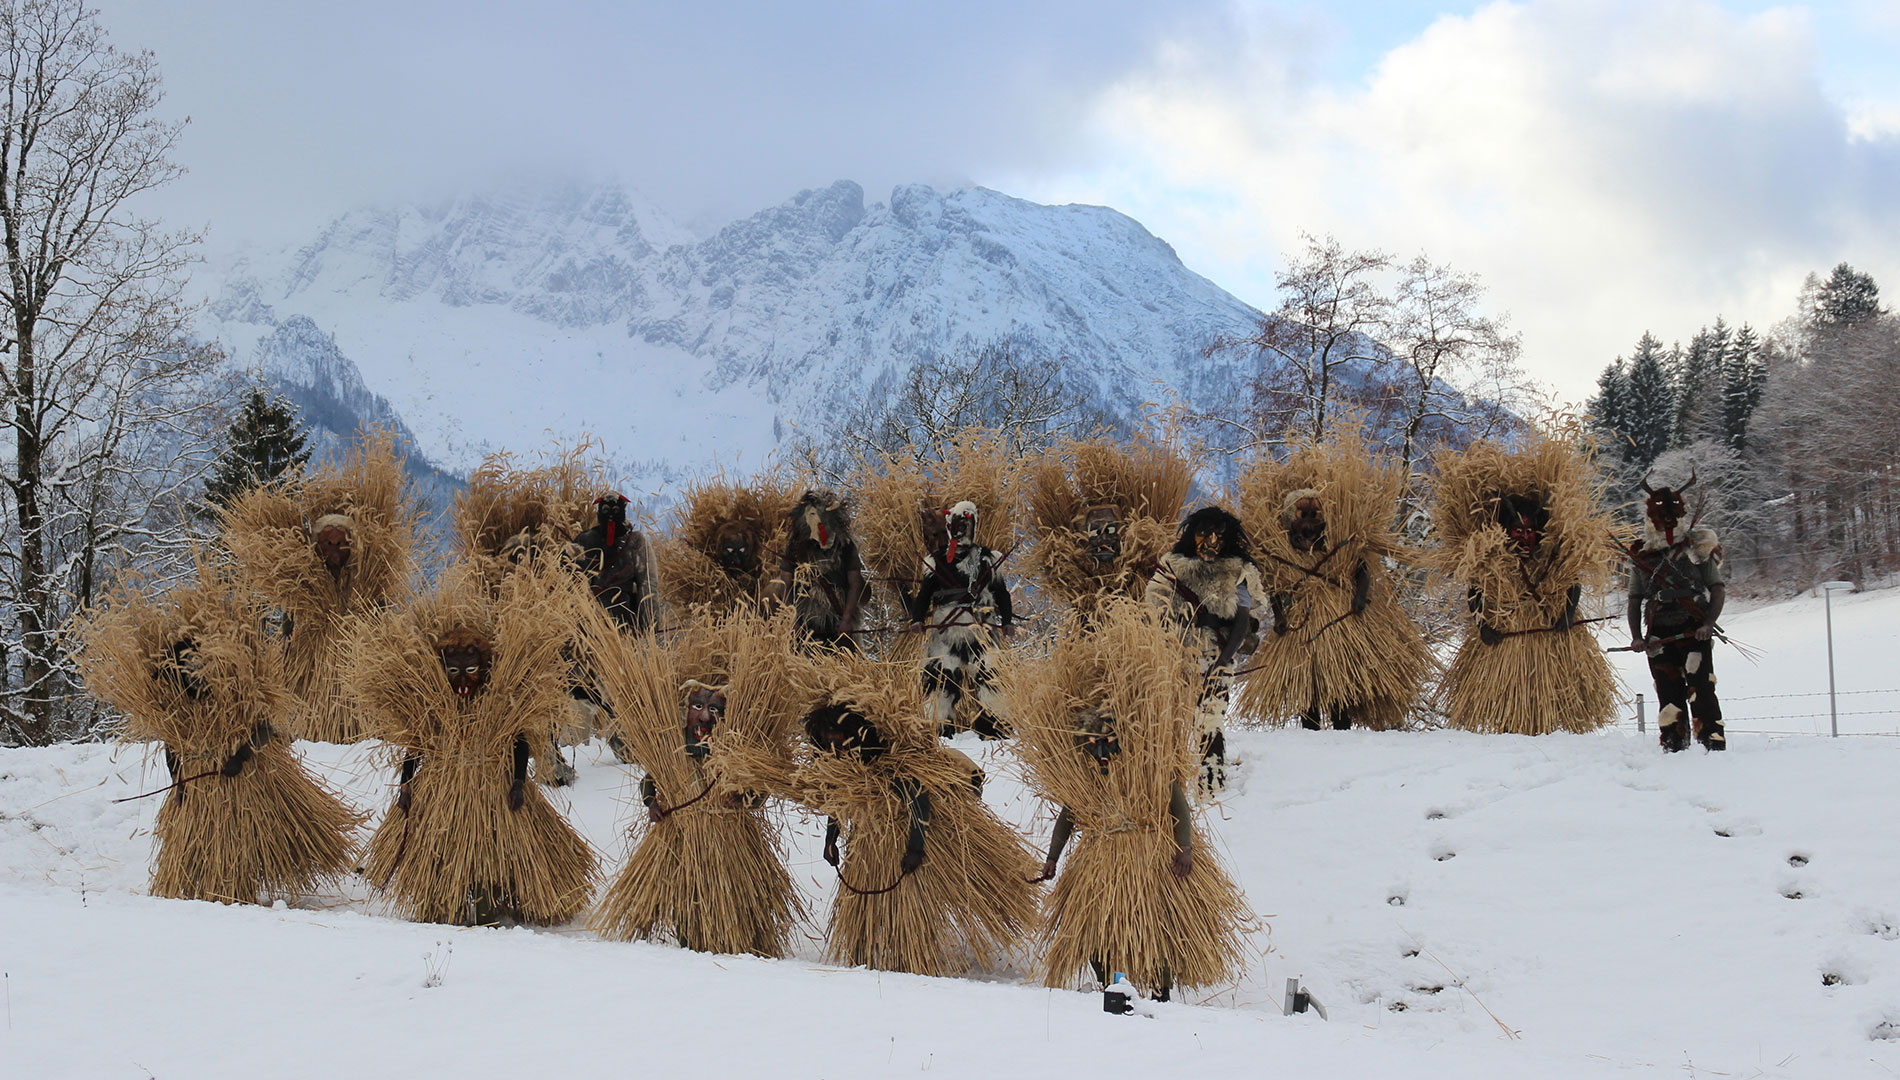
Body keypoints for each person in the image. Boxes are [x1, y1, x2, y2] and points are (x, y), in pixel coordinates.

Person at [1626, 474, 1726, 752]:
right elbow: (1634, 600)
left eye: (1672, 517)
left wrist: (1708, 623)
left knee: (1702, 689)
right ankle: (1673, 744)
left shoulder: (1697, 550)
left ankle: (1712, 745)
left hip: (1694, 630)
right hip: (1658, 635)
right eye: (1661, 517)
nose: (1667, 523)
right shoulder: (1643, 557)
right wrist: (1637, 636)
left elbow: (1717, 589)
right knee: (1668, 693)